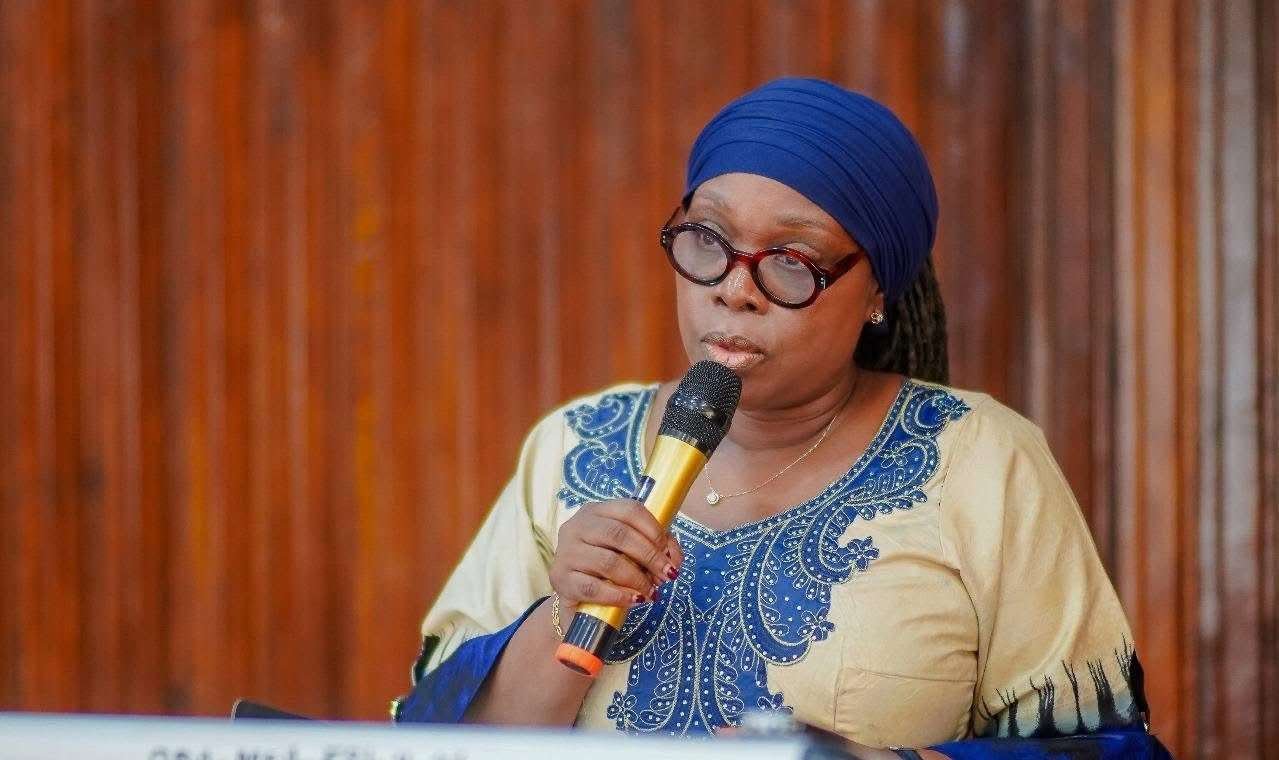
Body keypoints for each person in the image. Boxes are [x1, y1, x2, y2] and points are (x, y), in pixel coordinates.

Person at [392, 78, 1170, 759]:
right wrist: (564, 610)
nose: (733, 290)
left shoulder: (980, 459)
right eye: (708, 239)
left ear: (876, 292)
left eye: (791, 261)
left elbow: (1107, 749)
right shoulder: (571, 446)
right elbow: (431, 749)